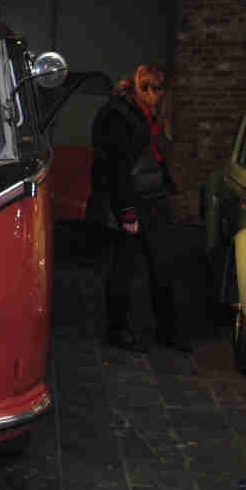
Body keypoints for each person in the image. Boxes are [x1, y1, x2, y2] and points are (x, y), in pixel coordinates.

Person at [90, 63, 188, 352]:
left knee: (162, 265)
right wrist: (126, 210)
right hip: (130, 200)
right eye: (158, 91)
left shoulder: (144, 115)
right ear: (145, 89)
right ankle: (118, 330)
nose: (161, 97)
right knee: (124, 267)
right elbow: (115, 167)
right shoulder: (117, 116)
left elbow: (152, 156)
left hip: (152, 198)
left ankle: (167, 330)